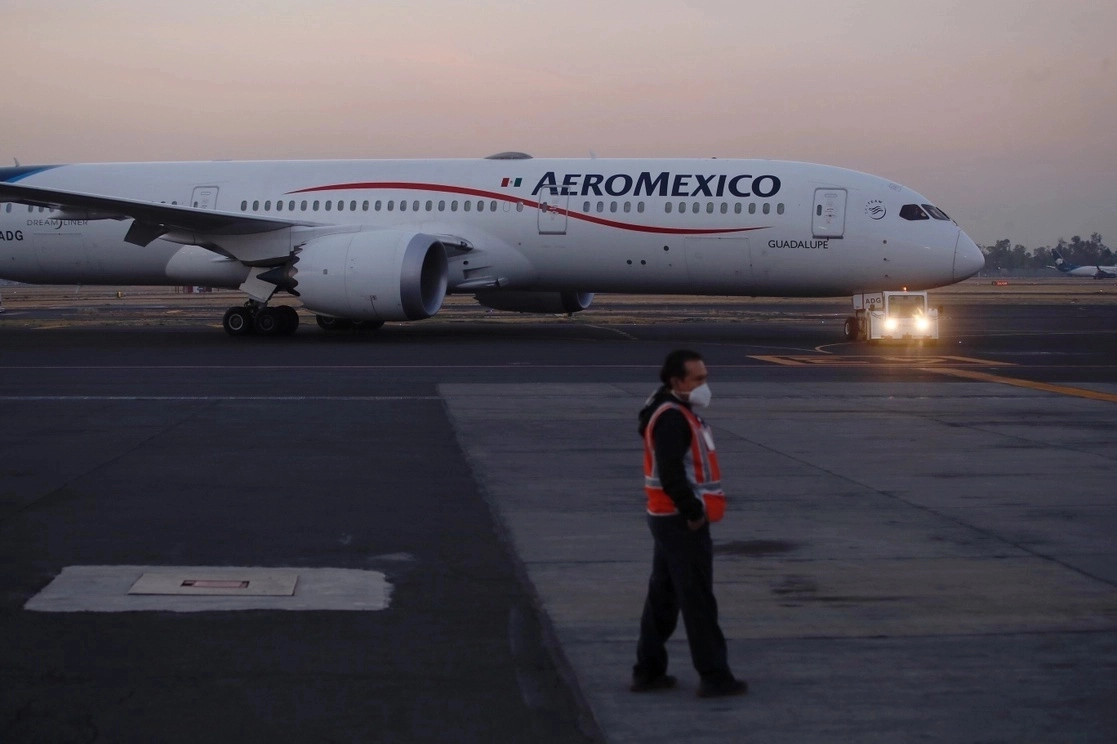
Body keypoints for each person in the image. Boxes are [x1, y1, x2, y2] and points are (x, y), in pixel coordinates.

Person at [631, 349, 747, 698]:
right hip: (680, 522)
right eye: (697, 379)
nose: (704, 385)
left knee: (664, 598)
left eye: (704, 377)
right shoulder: (672, 418)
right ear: (676, 382)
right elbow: (670, 473)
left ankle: (648, 671)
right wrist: (693, 513)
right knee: (697, 600)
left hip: (666, 518)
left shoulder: (673, 410)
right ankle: (714, 675)